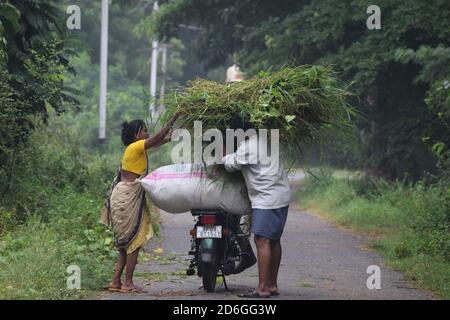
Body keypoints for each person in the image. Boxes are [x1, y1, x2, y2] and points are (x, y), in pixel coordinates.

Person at [102, 113, 180, 293]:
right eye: (145, 130)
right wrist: (174, 118)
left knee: (125, 243)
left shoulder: (136, 148)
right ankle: (127, 283)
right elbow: (157, 138)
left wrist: (169, 138)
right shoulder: (136, 146)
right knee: (134, 241)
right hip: (127, 196)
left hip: (124, 195)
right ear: (137, 135)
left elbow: (158, 141)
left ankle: (116, 281)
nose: (148, 132)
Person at [222, 119, 291, 298]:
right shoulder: (266, 140)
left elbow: (230, 165)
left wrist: (225, 153)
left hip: (267, 199)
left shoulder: (248, 146)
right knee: (274, 240)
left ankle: (262, 288)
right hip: (281, 196)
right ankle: (272, 285)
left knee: (262, 241)